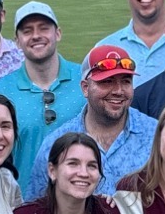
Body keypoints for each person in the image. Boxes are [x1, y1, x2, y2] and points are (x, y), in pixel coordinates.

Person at [23, 44, 157, 201]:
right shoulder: (55, 144)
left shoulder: (155, 135)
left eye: (126, 81)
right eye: (107, 81)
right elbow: (36, 208)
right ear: (85, 88)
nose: (118, 91)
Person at [0, 0, 84, 181]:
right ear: (17, 41)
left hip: (81, 200)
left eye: (43, 28)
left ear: (57, 33)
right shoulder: (0, 91)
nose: (36, 36)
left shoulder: (85, 79)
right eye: (27, 31)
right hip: (24, 201)